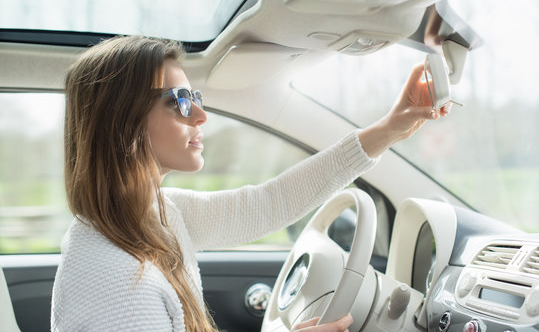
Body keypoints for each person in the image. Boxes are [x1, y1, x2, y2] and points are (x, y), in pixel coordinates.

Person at [51, 35, 450, 332]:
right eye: (180, 101)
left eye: (197, 97)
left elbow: (269, 203)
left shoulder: (156, 213)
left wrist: (391, 129)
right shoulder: (116, 278)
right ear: (125, 123)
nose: (201, 116)